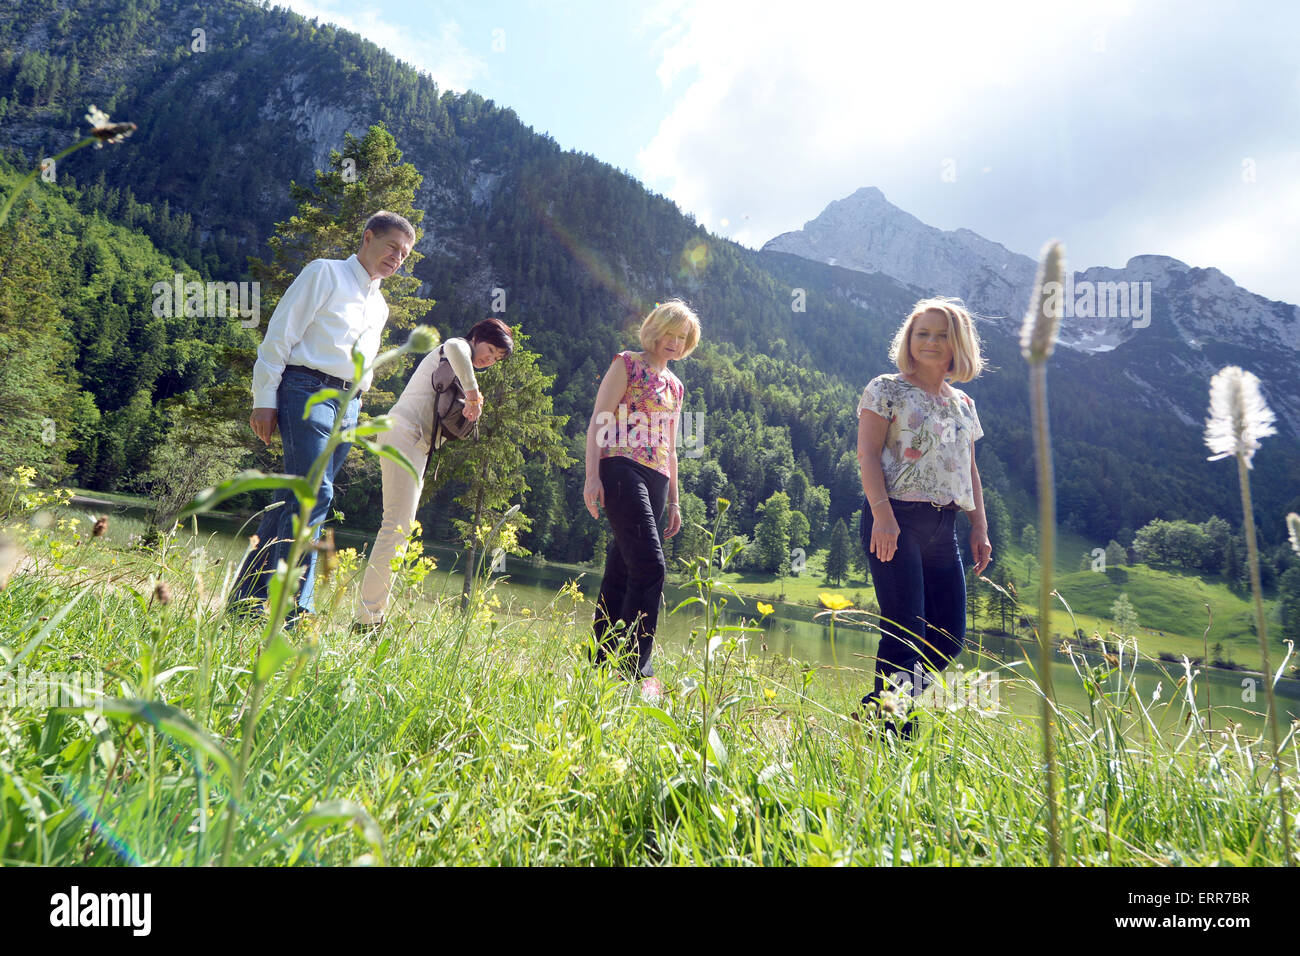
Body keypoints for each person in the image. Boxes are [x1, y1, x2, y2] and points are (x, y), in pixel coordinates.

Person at [229, 211, 416, 625]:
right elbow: (280, 334)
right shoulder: (324, 273)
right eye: (392, 247)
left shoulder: (380, 304)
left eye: (404, 254)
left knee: (293, 504)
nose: (398, 258)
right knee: (315, 494)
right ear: (368, 238)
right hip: (306, 390)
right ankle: (294, 610)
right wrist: (264, 398)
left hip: (349, 403)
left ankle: (244, 605)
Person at [856, 296, 992, 735]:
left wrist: (979, 525)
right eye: (922, 333)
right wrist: (882, 515)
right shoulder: (886, 388)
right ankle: (894, 737)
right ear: (909, 340)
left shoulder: (964, 404)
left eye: (941, 335)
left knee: (949, 635)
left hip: (945, 528)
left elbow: (968, 467)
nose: (931, 342)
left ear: (958, 344)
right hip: (894, 519)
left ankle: (880, 709)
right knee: (904, 631)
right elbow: (868, 454)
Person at [354, 317, 514, 629]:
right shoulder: (456, 348)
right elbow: (455, 346)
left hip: (416, 444)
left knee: (399, 528)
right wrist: (473, 394)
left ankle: (370, 615)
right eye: (490, 350)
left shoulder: (462, 364)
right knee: (397, 528)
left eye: (496, 359)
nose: (489, 360)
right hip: (405, 433)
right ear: (477, 335)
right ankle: (367, 619)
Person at [584, 300, 701, 699]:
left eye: (682, 338)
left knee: (623, 568)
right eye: (669, 333)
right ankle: (637, 669)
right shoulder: (627, 363)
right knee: (651, 567)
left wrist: (675, 502)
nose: (674, 342)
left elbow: (671, 447)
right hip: (621, 467)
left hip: (658, 478)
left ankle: (601, 662)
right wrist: (592, 476)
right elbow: (600, 418)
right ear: (654, 329)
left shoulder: (676, 385)